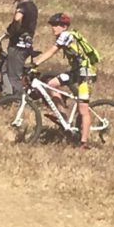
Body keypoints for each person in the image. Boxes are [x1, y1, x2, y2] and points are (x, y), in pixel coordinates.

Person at [30, 12, 97, 145]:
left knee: (83, 108)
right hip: (76, 72)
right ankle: (63, 117)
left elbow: (52, 51)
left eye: (56, 25)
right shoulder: (64, 36)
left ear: (64, 27)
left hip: (87, 73)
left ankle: (83, 143)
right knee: (51, 84)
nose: (53, 28)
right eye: (52, 25)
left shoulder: (66, 36)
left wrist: (35, 63)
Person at [2, 0, 39, 96]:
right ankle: (7, 94)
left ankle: (18, 100)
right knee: (5, 68)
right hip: (26, 44)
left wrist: (11, 31)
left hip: (18, 45)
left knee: (14, 77)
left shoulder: (22, 6)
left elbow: (18, 19)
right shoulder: (32, 6)